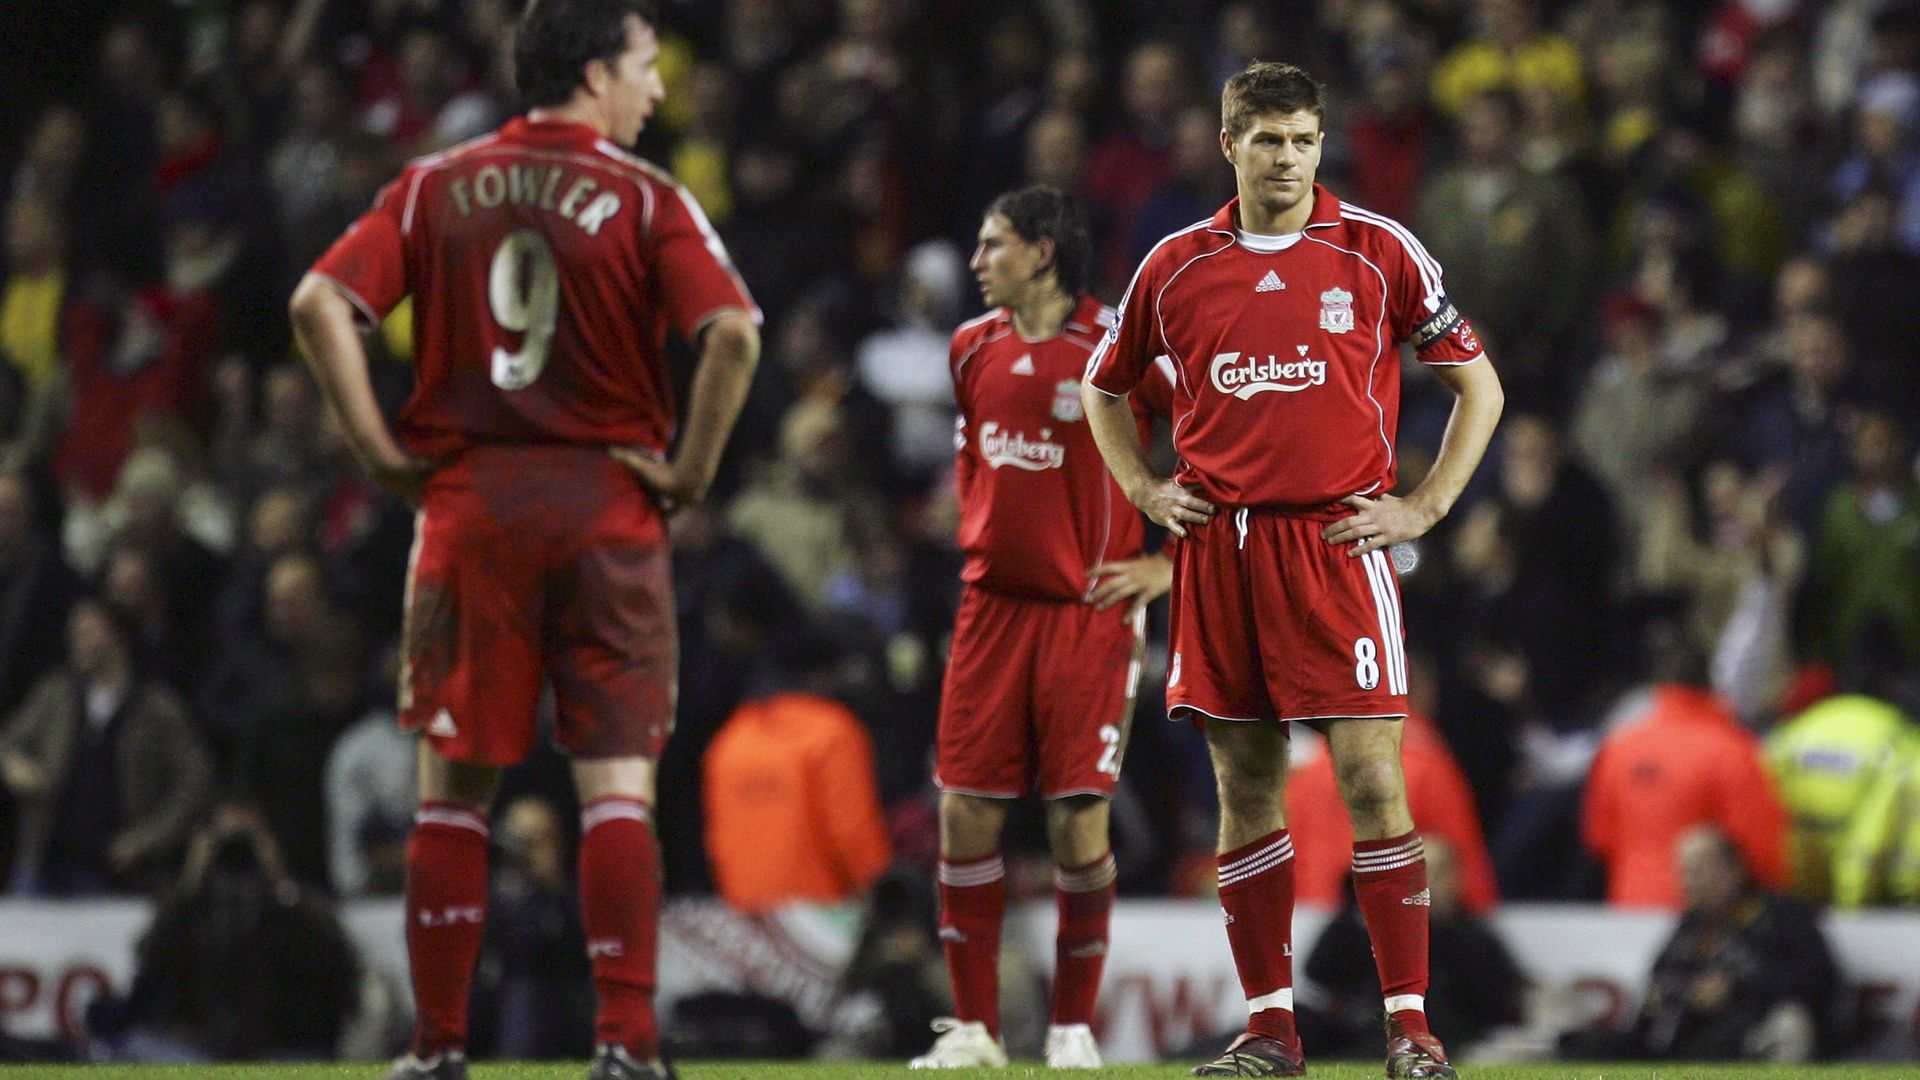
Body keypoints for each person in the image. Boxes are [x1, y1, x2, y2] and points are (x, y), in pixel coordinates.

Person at [287, 1, 761, 1077]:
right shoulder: (647, 197)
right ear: (595, 74)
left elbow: (319, 304)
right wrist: (688, 471)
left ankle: (438, 1047)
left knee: (453, 790)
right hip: (608, 508)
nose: (657, 89)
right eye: (646, 68)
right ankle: (628, 1046)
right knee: (615, 786)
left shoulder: (434, 183)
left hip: (472, 509)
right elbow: (733, 332)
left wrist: (380, 456)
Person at [1083, 62, 1504, 1079]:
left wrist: (1427, 505)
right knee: (1247, 787)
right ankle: (1271, 1032)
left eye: (1304, 139)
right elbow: (1106, 387)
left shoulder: (1378, 251)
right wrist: (1145, 493)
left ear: (1322, 145)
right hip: (1221, 548)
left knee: (1368, 775)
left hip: (1336, 545)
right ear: (1229, 144)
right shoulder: (1175, 266)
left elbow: (1476, 387)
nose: (1288, 157)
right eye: (1268, 139)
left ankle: (1411, 1030)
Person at [909, 186, 1175, 1070]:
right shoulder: (968, 348)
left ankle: (1070, 1030)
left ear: (1044, 253)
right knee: (965, 817)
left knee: (1074, 826)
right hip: (990, 612)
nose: (977, 261)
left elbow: (1222, 448)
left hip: (1087, 614)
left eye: (994, 246)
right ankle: (977, 1032)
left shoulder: (1120, 348)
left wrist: (1169, 567)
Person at [1560, 825, 1841, 1063]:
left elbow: (1821, 978)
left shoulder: (1778, 913)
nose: (1687, 883)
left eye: (1699, 872)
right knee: (1588, 1044)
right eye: (1684, 873)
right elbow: (1660, 976)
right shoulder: (1691, 924)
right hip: (1685, 1040)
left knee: (1787, 1023)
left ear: (1734, 869)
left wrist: (1735, 989)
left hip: (1749, 1036)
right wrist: (1677, 992)